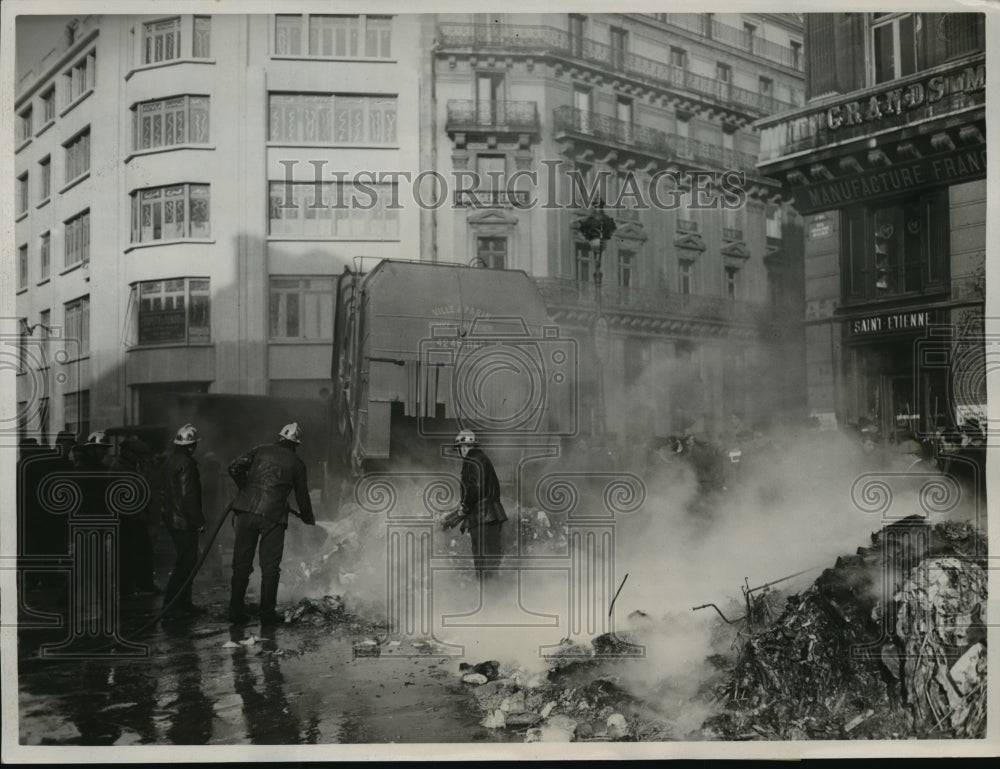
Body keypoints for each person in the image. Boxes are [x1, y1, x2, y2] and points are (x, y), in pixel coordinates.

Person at [227, 422, 316, 625]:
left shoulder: (261, 449)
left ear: (280, 438)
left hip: (246, 512)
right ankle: (266, 614)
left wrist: (247, 489)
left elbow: (233, 467)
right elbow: (302, 496)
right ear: (295, 444)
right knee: (270, 567)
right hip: (273, 517)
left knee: (241, 565)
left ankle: (235, 612)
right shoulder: (297, 463)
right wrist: (308, 516)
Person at [161, 424, 206, 619]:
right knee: (186, 563)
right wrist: (199, 521)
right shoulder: (187, 463)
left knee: (186, 561)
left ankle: (183, 604)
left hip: (173, 519)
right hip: (184, 521)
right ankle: (173, 606)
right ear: (190, 446)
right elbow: (189, 497)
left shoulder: (169, 461)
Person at [453, 430, 507, 579]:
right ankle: (494, 597)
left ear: (463, 446)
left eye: (459, 448)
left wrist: (465, 507)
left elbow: (475, 487)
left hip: (482, 517)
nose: (459, 452)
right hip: (491, 516)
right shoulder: (481, 458)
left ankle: (488, 596)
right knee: (490, 561)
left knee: (483, 562)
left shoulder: (472, 459)